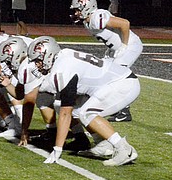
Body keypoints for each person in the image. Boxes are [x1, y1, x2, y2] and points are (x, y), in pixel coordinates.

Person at [27, 36, 140, 167]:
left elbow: (65, 114)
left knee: (86, 113)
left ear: (48, 55)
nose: (37, 65)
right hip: (112, 82)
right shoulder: (64, 55)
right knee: (69, 107)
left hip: (122, 83)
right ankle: (102, 143)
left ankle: (124, 149)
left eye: (38, 60)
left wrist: (57, 149)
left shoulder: (62, 71)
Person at [70, 0, 142, 122]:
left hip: (131, 45)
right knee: (102, 71)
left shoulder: (97, 17)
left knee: (115, 76)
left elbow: (125, 23)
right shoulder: (88, 21)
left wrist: (124, 46)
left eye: (77, 10)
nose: (76, 13)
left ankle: (124, 111)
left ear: (86, 7)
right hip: (115, 49)